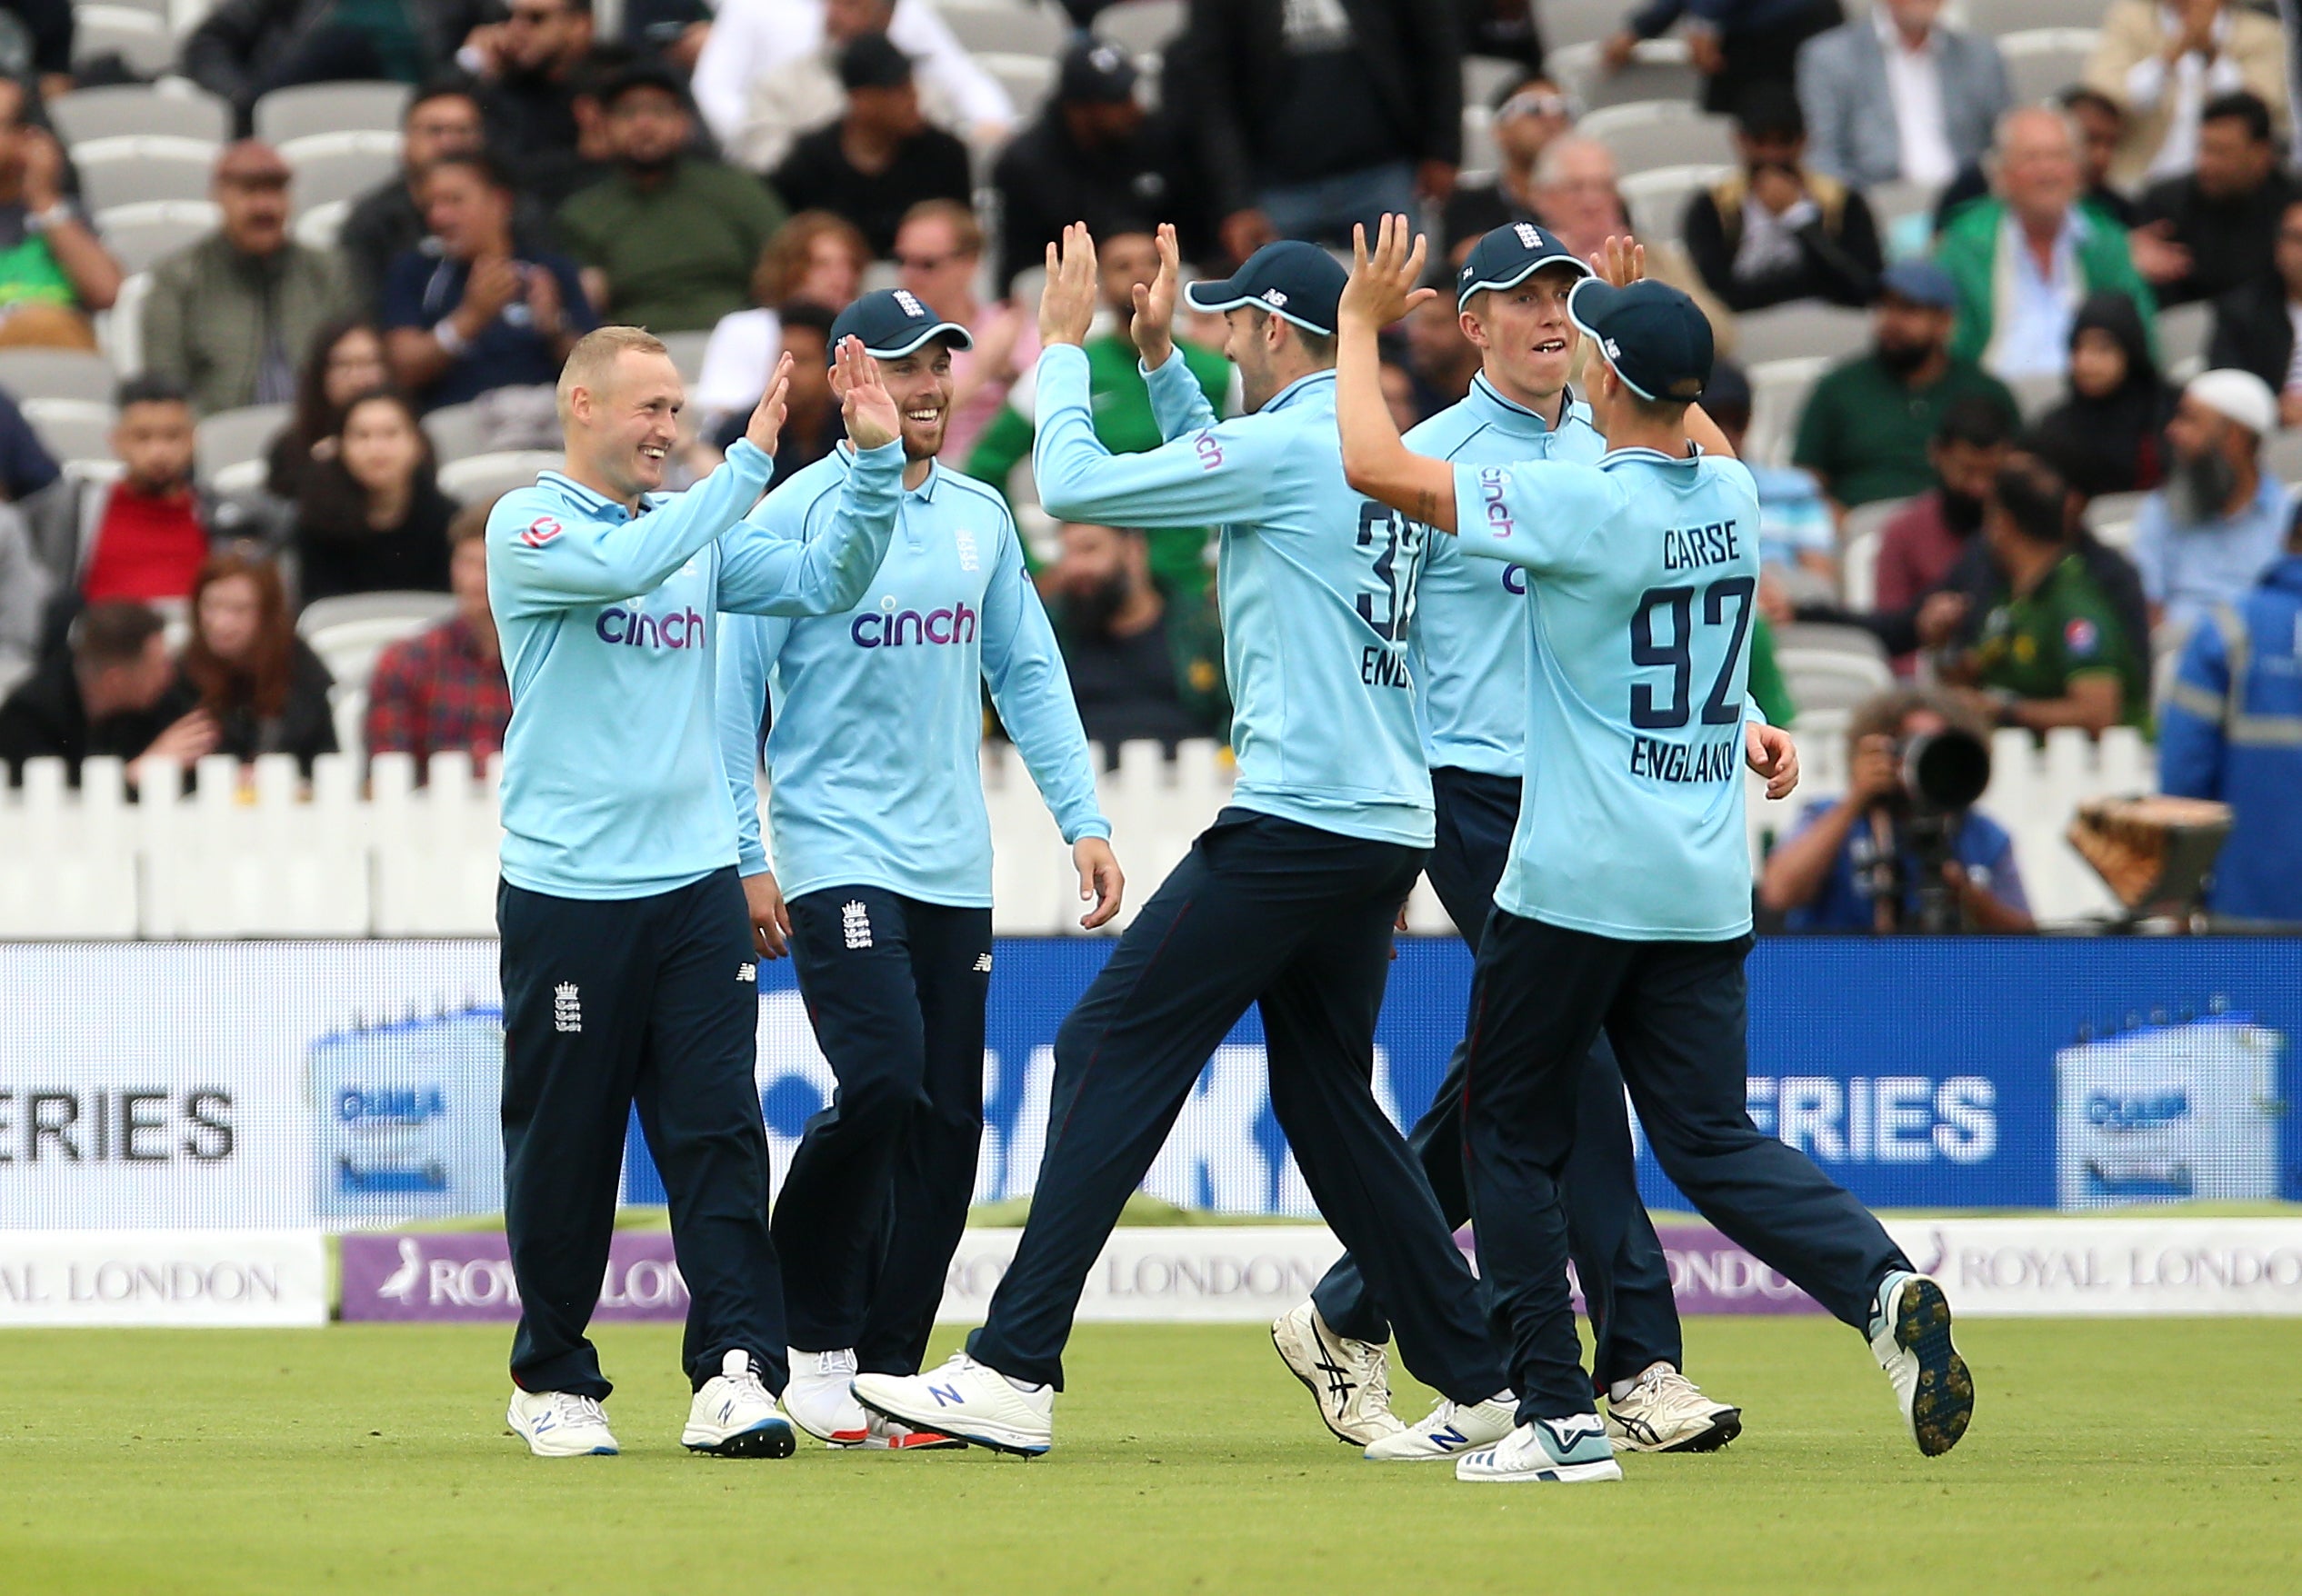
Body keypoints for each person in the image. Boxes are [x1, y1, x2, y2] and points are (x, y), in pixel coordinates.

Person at [852, 228, 1517, 1460]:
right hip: (1384, 823)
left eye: (1227, 327)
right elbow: (1218, 468)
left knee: (1109, 1042)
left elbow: (1086, 488)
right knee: (1330, 1102)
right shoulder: (1389, 449)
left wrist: (1060, 353)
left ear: (1273, 332)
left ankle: (1013, 1366)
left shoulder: (1285, 445)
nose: (1217, 339)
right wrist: (1162, 370)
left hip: (1299, 820)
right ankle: (1480, 1376)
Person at [1330, 214, 1969, 1481]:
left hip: (1575, 875)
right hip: (1700, 880)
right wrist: (1648, 323)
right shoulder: (1730, 493)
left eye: (1586, 328)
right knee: (1713, 1138)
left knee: (1509, 1133)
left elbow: (1372, 468)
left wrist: (1358, 325)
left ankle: (1559, 1415)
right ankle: (1882, 1285)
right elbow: (1705, 438)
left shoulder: (1577, 501)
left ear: (1606, 376)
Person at [1284, 222, 1742, 1461]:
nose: (1549, 312)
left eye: (1567, 295)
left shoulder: (1619, 443)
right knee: (1578, 1069)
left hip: (1592, 799)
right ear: (1467, 325)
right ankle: (1639, 1364)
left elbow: (1678, 604)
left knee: (1510, 1077)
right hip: (1472, 794)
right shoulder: (1427, 456)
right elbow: (1364, 646)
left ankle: (1349, 1305)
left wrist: (1740, 715)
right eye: (1518, 295)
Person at [486, 324, 907, 1461]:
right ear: (582, 407)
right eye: (649, 409)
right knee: (567, 1143)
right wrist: (752, 467)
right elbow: (628, 566)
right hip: (569, 891)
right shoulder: (527, 526)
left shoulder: (699, 529)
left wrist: (869, 467)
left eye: (677, 409)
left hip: (691, 889)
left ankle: (735, 1370)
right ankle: (555, 1379)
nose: (669, 429)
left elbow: (829, 579)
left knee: (718, 1133)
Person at [716, 289, 1120, 1451]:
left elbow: (1028, 674)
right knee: (884, 1081)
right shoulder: (791, 515)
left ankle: (894, 1371)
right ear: (853, 379)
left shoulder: (981, 516)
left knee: (947, 1123)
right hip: (835, 852)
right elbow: (731, 700)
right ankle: (810, 1336)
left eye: (941, 364)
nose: (931, 386)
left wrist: (1081, 819)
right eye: (904, 370)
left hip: (954, 861)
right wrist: (751, 859)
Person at [966, 229, 1234, 600]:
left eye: (1152, 262)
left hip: (1189, 586)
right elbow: (985, 467)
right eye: (1122, 265)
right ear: (1100, 283)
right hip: (1096, 595)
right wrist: (1029, 566)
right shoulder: (1065, 370)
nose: (1140, 274)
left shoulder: (1219, 373)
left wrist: (1228, 564)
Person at [1170, 0, 1462, 261]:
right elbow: (1210, 94)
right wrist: (1235, 202)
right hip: (1275, 187)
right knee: (1282, 316)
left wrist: (1443, 150)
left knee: (1399, 312)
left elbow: (1437, 48)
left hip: (1383, 172)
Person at [1760, 689, 2032, 933]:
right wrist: (1857, 799)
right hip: (1842, 974)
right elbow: (1779, 894)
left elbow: (2028, 939)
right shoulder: (1830, 818)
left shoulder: (1981, 834)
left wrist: (1969, 898)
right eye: (1911, 744)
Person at [556, 62, 789, 335]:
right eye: (628, 113)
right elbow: (579, 310)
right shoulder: (581, 214)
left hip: (733, 341)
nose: (644, 124)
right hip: (635, 352)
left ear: (685, 122)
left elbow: (788, 265)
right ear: (604, 126)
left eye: (660, 111)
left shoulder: (737, 191)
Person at [1935, 107, 2157, 383]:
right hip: (1996, 399)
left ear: (2078, 171)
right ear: (2003, 174)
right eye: (2032, 158)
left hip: (2088, 396)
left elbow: (2141, 338)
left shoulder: (2107, 241)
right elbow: (1945, 348)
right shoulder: (1964, 244)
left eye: (2059, 156)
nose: (2047, 170)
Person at [141, 140, 355, 417]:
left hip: (318, 433)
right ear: (217, 196)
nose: (264, 206)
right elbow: (165, 388)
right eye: (249, 191)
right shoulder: (179, 277)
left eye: (275, 191)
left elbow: (355, 369)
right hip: (217, 437)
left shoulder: (329, 271)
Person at [1942, 453, 2149, 734]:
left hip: (2090, 769)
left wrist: (2005, 711)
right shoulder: (2011, 600)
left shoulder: (2075, 607)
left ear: (2003, 523)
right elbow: (1981, 669)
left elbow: (2099, 712)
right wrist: (1944, 650)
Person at [2160, 510, 2302, 920]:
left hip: (2249, 904)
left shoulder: (2229, 629)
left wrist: (2179, 885)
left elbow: (2185, 766)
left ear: (2286, 540)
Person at [1794, 260, 2017, 513]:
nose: (1891, 321)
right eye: (1885, 306)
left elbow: (2016, 474)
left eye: (1908, 309)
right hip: (1858, 533)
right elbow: (1806, 480)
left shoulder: (1985, 391)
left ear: (1945, 322)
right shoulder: (1837, 388)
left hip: (1959, 530)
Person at [381, 152, 596, 412]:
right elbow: (402, 371)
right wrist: (471, 317)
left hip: (548, 415)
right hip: (458, 421)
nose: (437, 217)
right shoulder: (415, 272)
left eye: (453, 201)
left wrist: (554, 328)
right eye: (430, 206)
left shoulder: (552, 270)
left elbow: (598, 376)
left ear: (500, 202)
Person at [991, 37, 1201, 294]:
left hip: (1163, 287)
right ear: (1080, 110)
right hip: (1069, 295)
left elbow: (1194, 234)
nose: (1133, 106)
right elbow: (1020, 265)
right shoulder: (1025, 165)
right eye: (1117, 100)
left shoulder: (1158, 139)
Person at [693, 0, 1013, 158]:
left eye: (854, 4)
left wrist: (991, 120)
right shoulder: (782, 78)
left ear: (887, 16)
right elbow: (712, 91)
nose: (836, 13)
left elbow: (960, 76)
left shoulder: (912, 22)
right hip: (794, 164)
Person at [340, 81, 556, 314]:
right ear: (406, 143)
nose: (450, 143)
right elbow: (365, 310)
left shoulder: (518, 209)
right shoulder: (372, 222)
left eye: (463, 131)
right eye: (435, 131)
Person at [768, 33, 973, 260]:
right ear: (861, 100)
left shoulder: (944, 157)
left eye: (911, 84)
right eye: (899, 90)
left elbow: (964, 245)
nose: (914, 97)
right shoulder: (808, 162)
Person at [1683, 85, 1881, 314]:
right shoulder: (1711, 208)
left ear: (1804, 140)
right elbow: (1716, 297)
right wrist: (1810, 283)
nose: (1772, 154)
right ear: (1741, 140)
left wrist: (1797, 216)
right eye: (1761, 140)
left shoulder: (1844, 202)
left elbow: (1863, 289)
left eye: (1784, 140)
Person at [1039, 520, 1230, 751]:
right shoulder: (1049, 634)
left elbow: (1233, 715)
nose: (1074, 567)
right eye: (1067, 553)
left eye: (1089, 549)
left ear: (1133, 549)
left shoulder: (1201, 630)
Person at [2132, 368, 2290, 637]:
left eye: (2189, 420)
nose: (2171, 431)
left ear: (2235, 436)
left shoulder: (2287, 518)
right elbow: (2147, 614)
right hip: (2177, 659)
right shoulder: (2160, 511)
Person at [31, 378, 217, 604]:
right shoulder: (69, 510)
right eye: (142, 437)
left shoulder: (223, 516)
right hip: (98, 635)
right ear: (116, 440)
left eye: (172, 436)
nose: (158, 452)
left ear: (192, 440)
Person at [1796, 0, 2009, 192]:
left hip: (1965, 200)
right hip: (1876, 198)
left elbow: (2008, 139)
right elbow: (1824, 155)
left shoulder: (1980, 54)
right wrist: (1858, 213)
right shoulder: (1830, 57)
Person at [363, 499, 510, 773]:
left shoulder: (553, 664)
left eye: (490, 565)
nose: (474, 580)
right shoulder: (407, 662)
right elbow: (387, 772)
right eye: (466, 563)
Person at [0, 599, 214, 787]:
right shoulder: (29, 717)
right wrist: (132, 776)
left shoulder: (165, 698)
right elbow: (46, 798)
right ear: (115, 681)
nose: (169, 675)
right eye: (159, 667)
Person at [159, 552, 337, 774]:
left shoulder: (302, 673)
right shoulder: (176, 677)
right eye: (211, 606)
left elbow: (326, 764)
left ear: (268, 614)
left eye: (239, 609)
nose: (220, 623)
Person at [692, 211, 867, 436]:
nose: (840, 277)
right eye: (822, 265)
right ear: (789, 268)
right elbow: (721, 416)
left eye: (849, 265)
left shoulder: (862, 333)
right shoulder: (744, 329)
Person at [1873, 394, 2017, 668]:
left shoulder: (2029, 531)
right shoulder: (1902, 533)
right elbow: (1892, 632)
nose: (1979, 488)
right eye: (1967, 471)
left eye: (1991, 474)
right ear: (1937, 454)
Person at [2083, 0, 2289, 190]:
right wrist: (2169, 59)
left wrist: (2211, 55)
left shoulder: (2262, 34)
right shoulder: (2131, 20)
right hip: (2138, 183)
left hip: (2226, 189)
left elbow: (2262, 107)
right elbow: (2103, 94)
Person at [180, 0, 464, 133]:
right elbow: (208, 43)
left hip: (415, 122)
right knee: (344, 43)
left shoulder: (454, 6)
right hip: (289, 112)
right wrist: (240, 97)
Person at [890, 200, 1034, 460]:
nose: (909, 274)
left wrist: (1011, 377)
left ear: (969, 262)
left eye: (927, 264)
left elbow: (1046, 411)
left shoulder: (1009, 327)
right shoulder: (884, 339)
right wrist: (983, 370)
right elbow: (890, 432)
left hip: (1002, 472)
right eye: (903, 260)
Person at [2129, 92, 2297, 309]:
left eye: (2222, 152)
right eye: (2204, 148)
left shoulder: (2294, 203)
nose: (2207, 164)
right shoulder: (2165, 203)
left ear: (2261, 153)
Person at [293, 389, 457, 603]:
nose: (376, 449)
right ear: (340, 447)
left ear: (417, 443)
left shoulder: (448, 519)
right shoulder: (313, 524)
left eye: (390, 433)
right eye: (362, 435)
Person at [0, 75, 121, 349]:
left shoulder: (64, 216)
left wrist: (44, 200)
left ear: (27, 139)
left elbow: (107, 293)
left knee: (44, 325)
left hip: (55, 364)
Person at [2028, 291, 2178, 503]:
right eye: (2078, 348)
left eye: (2102, 348)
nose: (2086, 362)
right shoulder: (2055, 430)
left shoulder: (2173, 411)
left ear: (2129, 351)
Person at [1700, 360, 1835, 594]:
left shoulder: (1795, 490)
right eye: (1713, 420)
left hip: (1786, 615)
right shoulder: (1662, 494)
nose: (1727, 433)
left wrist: (1775, 593)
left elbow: (1820, 583)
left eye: (1737, 421)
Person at [1601, 0, 1841, 117]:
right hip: (1744, 43)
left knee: (1779, 140)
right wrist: (1641, 28)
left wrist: (1707, 19)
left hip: (1790, 32)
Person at [472, 0, 599, 208]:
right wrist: (470, 64)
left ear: (579, 25)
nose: (515, 29)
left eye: (536, 18)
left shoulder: (613, 85)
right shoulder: (495, 90)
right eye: (510, 17)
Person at [1438, 75, 1576, 263]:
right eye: (1533, 109)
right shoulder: (1471, 202)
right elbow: (1463, 263)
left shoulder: (1596, 195)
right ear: (1499, 129)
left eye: (1561, 109)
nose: (1551, 119)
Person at [264, 320, 389, 502]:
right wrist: (318, 471)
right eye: (343, 365)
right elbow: (281, 521)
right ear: (321, 374)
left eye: (368, 364)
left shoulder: (409, 440)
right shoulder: (291, 448)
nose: (357, 379)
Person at [707, 302, 841, 467]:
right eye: (782, 358)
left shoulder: (853, 433)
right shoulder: (740, 435)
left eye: (803, 360)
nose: (789, 371)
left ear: (833, 368)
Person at [2207, 193, 2302, 423]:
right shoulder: (2242, 311)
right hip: (2273, 434)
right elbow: (2226, 388)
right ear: (2278, 247)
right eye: (2298, 239)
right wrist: (2274, 409)